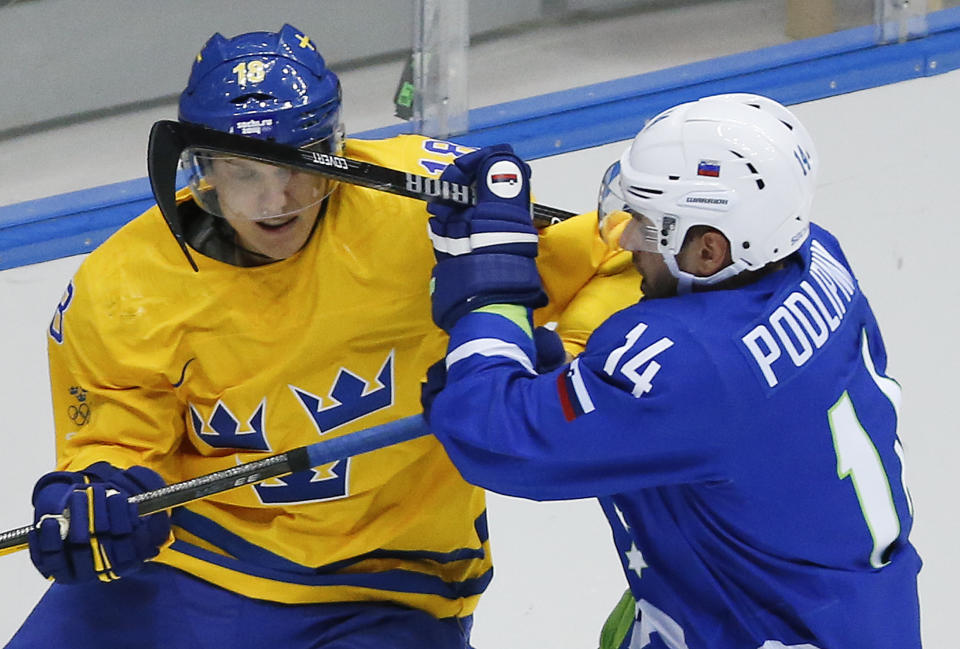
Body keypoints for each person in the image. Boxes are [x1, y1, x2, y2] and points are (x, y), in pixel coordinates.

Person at [8, 24, 638, 649]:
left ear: (332, 148)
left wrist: (571, 362)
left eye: (296, 167)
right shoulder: (122, 287)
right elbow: (115, 439)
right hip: (191, 565)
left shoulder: (422, 208)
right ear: (202, 167)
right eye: (243, 173)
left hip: (384, 588)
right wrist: (104, 494)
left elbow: (621, 252)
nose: (276, 199)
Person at [421, 93, 923, 648]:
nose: (627, 239)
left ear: (710, 251)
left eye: (648, 223)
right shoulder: (816, 254)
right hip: (845, 610)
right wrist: (581, 384)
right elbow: (707, 403)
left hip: (762, 629)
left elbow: (496, 436)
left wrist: (488, 293)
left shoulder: (692, 364)